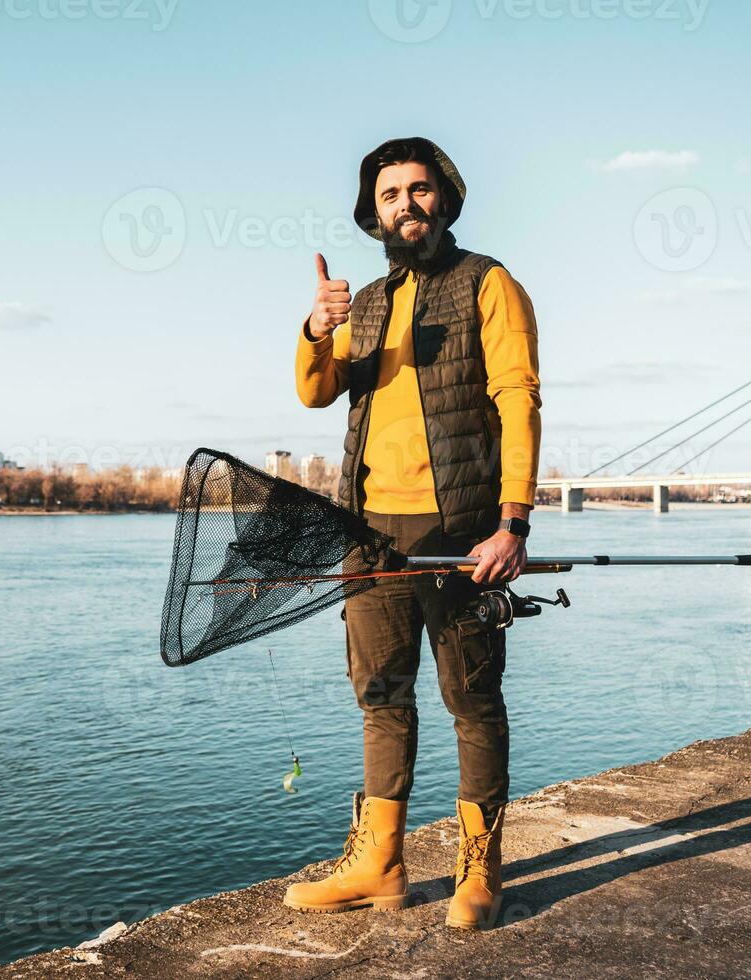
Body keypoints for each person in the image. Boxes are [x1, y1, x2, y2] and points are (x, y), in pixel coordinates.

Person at [283, 136, 541, 930]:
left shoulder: (488, 284)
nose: (406, 205)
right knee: (381, 696)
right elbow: (316, 395)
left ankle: (480, 868)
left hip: (458, 531)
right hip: (366, 533)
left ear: (446, 198)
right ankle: (380, 864)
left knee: (473, 699)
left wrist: (513, 522)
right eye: (390, 194)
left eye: (419, 189)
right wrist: (316, 329)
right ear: (375, 212)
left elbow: (517, 398)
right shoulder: (363, 304)